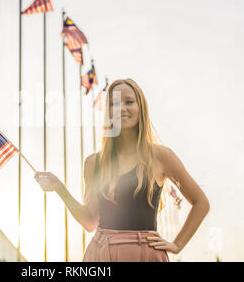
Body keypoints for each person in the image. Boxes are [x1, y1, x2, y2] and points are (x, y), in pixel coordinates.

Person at [34, 78, 210, 262]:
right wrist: (60, 189)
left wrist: (177, 244)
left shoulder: (160, 156)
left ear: (141, 107)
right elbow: (90, 221)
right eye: (114, 104)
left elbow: (201, 202)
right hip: (101, 253)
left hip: (146, 254)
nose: (121, 109)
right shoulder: (94, 163)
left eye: (129, 102)